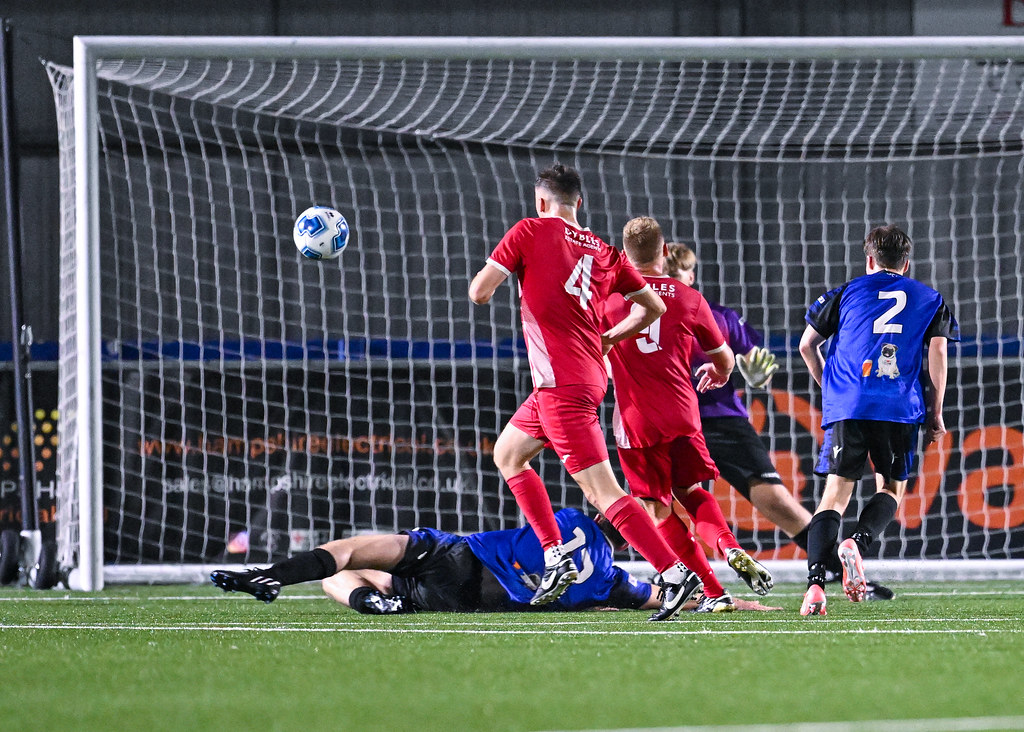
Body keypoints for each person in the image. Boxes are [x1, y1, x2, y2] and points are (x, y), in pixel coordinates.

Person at [468, 164, 702, 621]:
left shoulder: (528, 231)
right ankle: (555, 554)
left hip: (562, 383)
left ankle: (673, 572)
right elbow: (653, 305)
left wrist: (508, 271)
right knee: (509, 454)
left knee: (603, 492)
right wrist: (612, 336)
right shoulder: (604, 249)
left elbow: (479, 293)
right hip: (581, 376)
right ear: (580, 203)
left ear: (541, 201)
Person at [665, 242, 894, 601]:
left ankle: (835, 570)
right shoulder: (644, 314)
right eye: (664, 275)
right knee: (644, 499)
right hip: (670, 420)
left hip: (721, 420)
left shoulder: (718, 317)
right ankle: (613, 570)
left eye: (676, 276)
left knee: (776, 501)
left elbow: (756, 363)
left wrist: (757, 375)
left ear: (690, 277)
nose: (670, 282)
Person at [602, 218, 772, 613]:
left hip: (636, 419)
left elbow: (592, 349)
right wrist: (719, 372)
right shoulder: (689, 297)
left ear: (624, 255)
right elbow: (725, 359)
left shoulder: (607, 297)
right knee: (692, 492)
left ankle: (714, 592)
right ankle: (729, 548)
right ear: (664, 253)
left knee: (658, 509)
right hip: (684, 412)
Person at [797, 224, 958, 616]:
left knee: (834, 495)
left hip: (848, 403)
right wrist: (936, 412)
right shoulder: (931, 298)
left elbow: (806, 345)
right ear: (907, 263)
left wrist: (831, 388)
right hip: (899, 405)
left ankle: (816, 586)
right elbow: (937, 355)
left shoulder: (847, 291)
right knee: (891, 488)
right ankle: (858, 541)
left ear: (869, 259)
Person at [210, 508, 780, 614]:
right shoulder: (611, 579)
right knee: (369, 570)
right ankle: (374, 599)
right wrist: (724, 599)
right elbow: (656, 593)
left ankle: (272, 575)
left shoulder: (564, 516)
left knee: (347, 556)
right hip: (462, 601)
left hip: (456, 558)